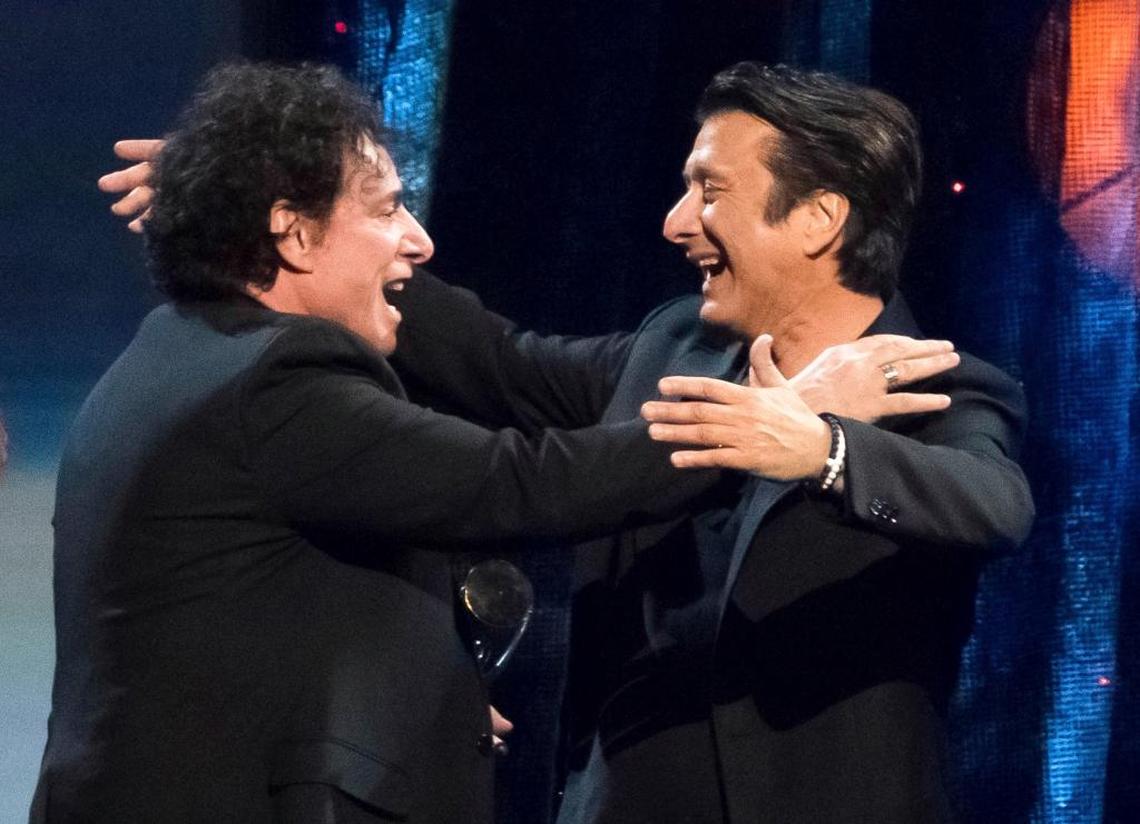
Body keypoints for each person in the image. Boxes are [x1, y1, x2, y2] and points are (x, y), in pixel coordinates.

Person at [97, 63, 1030, 823]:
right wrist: (271, 202)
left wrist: (823, 448)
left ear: (820, 218)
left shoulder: (930, 382)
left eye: (709, 190)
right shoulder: (668, 349)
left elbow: (994, 502)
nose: (674, 222)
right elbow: (494, 362)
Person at [32, 61, 735, 824]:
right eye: (390, 210)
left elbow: (261, 607)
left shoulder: (185, 349)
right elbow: (519, 483)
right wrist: (764, 423)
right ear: (293, 232)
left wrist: (420, 697)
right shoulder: (280, 385)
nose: (420, 241)